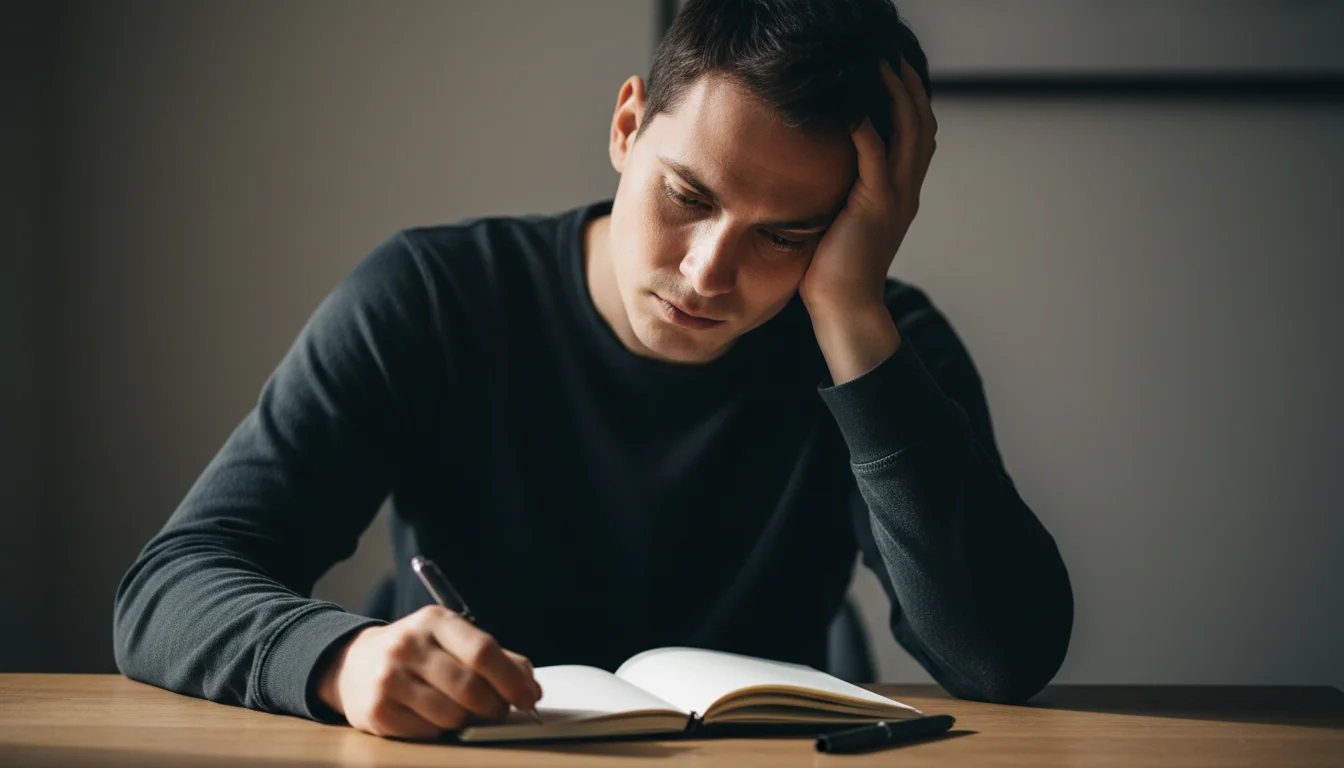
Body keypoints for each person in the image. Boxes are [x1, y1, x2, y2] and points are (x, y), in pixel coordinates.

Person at [114, 0, 1073, 740]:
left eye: (787, 235)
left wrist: (852, 314)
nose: (708, 274)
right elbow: (169, 585)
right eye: (688, 195)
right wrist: (337, 662)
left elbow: (1001, 660)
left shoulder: (881, 343)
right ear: (626, 127)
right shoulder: (434, 297)